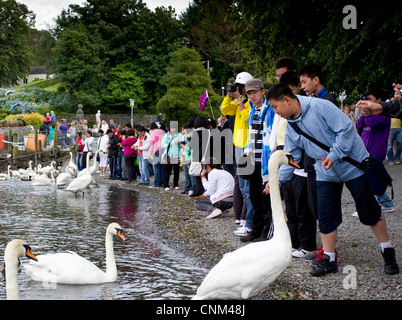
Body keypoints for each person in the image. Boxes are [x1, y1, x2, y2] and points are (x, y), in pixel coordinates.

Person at [267, 83, 399, 276]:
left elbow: (346, 129)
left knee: (368, 210)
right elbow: (292, 157)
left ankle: (387, 250)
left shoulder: (320, 106)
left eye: (275, 107)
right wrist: (276, 182)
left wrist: (334, 155)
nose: (276, 112)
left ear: (286, 100)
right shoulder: (292, 125)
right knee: (325, 214)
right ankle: (330, 258)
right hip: (324, 171)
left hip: (353, 165)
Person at [279, 71, 318, 257]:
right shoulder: (282, 112)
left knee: (304, 209)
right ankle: (294, 243)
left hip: (302, 166)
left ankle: (307, 245)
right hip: (287, 161)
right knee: (291, 208)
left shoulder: (303, 107)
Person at [238, 79, 276, 241]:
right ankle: (256, 229)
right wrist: (247, 151)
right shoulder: (252, 110)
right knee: (254, 197)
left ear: (262, 91)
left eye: (255, 92)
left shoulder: (271, 109)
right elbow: (251, 135)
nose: (252, 96)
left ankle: (267, 232)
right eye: (249, 93)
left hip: (266, 161)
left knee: (265, 199)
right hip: (254, 160)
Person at [220, 72, 254, 230]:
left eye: (241, 87)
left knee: (247, 185)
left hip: (248, 147)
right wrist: (229, 96)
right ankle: (243, 218)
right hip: (238, 146)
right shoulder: (238, 101)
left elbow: (248, 118)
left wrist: (239, 100)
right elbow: (225, 109)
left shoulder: (251, 103)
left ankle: (248, 221)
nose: (238, 89)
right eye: (238, 87)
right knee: (241, 184)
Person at [356, 89, 394, 213]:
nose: (367, 103)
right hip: (366, 151)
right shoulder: (367, 116)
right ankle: (381, 203)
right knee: (370, 178)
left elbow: (371, 122)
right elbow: (359, 124)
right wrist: (364, 114)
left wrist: (367, 114)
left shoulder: (385, 115)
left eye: (370, 99)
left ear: (378, 100)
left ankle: (386, 203)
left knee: (372, 178)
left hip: (376, 152)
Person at [161, 125, 182, 191]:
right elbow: (162, 145)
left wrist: (179, 142)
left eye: (174, 128)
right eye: (172, 128)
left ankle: (175, 184)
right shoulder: (166, 135)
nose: (173, 129)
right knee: (167, 171)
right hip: (168, 155)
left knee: (176, 171)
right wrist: (168, 144)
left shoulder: (179, 135)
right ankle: (166, 185)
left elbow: (182, 143)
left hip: (176, 155)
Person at [180, 122, 197, 195]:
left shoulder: (192, 136)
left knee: (191, 174)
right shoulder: (184, 136)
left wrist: (184, 147)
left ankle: (193, 189)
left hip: (190, 157)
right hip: (184, 156)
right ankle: (186, 188)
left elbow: (190, 148)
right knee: (186, 174)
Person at [148, 122, 165, 188]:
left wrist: (150, 152)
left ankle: (156, 183)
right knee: (162, 167)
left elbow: (152, 142)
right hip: (163, 150)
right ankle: (161, 182)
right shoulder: (162, 132)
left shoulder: (153, 132)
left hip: (157, 150)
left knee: (156, 167)